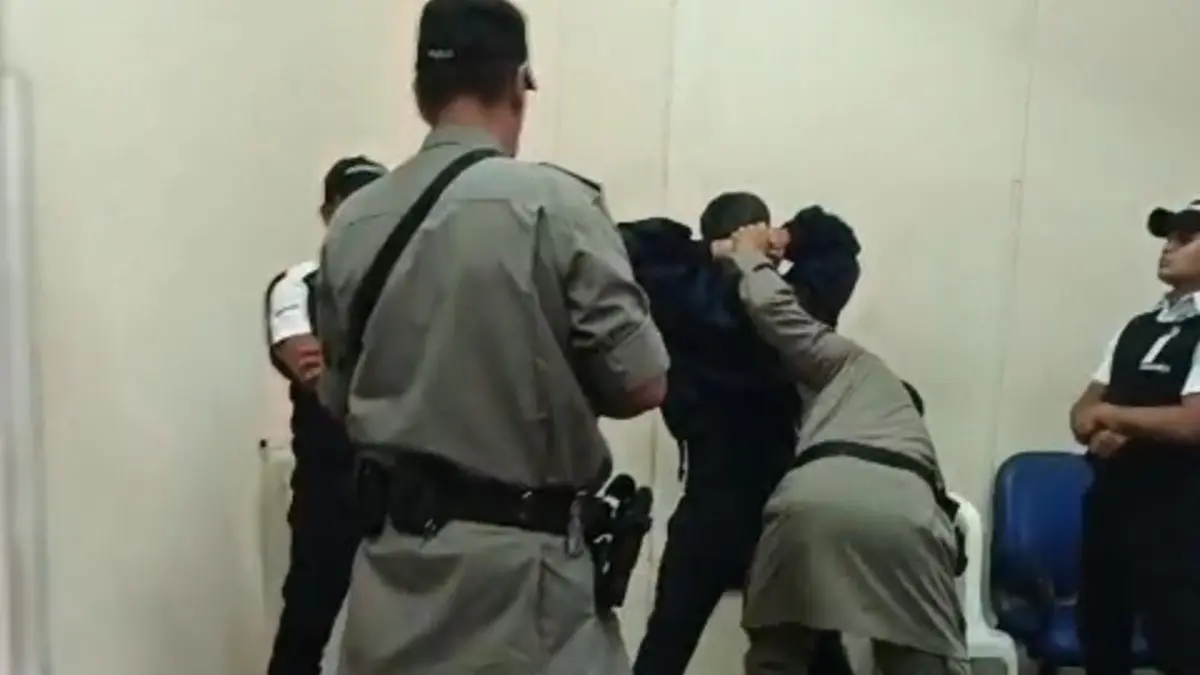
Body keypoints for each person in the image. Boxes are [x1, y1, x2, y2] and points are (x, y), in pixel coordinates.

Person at [313, 1, 670, 674]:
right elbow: (642, 383)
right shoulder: (557, 206)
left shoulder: (353, 223)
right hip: (523, 592)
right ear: (517, 83)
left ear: (421, 91)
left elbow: (337, 394)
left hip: (390, 581)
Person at [624, 195, 860, 675]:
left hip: (709, 506)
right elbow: (839, 244)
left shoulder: (680, 299)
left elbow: (620, 245)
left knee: (665, 647)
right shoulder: (794, 307)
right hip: (780, 507)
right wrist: (787, 237)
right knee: (820, 654)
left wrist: (709, 251)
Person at [719, 222, 967, 675]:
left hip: (807, 503)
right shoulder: (905, 427)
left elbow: (774, 308)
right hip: (906, 515)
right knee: (918, 661)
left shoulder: (851, 364)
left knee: (778, 657)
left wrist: (750, 255)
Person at [264, 155, 388, 675]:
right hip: (330, 484)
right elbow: (310, 368)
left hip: (404, 486)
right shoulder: (301, 284)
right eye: (349, 205)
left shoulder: (415, 280)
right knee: (305, 631)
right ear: (327, 213)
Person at [1069, 198, 1200, 675]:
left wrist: (1114, 418)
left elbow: (1193, 423)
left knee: (1179, 642)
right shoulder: (1138, 327)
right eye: (1167, 238)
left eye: (1185, 239)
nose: (1168, 248)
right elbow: (1082, 413)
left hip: (1179, 516)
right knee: (1102, 637)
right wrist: (1101, 424)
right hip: (1112, 506)